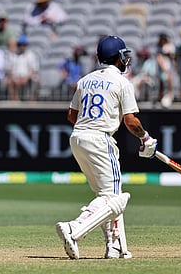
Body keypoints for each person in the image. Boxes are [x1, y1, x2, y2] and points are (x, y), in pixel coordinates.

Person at [55, 35, 158, 260]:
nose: (126, 60)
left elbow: (72, 115)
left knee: (106, 196)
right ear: (119, 57)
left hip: (78, 137)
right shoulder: (122, 82)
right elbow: (131, 121)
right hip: (100, 139)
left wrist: (91, 125)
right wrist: (146, 138)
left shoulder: (85, 80)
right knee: (115, 199)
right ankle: (75, 228)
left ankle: (114, 246)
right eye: (124, 56)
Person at [4, 34, 39, 101]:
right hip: (16, 77)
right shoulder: (13, 55)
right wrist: (14, 78)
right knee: (8, 81)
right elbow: (9, 70)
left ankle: (31, 102)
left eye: (24, 44)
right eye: (20, 44)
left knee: (37, 80)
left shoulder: (31, 55)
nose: (22, 46)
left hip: (28, 76)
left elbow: (34, 70)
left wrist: (26, 77)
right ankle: (16, 102)